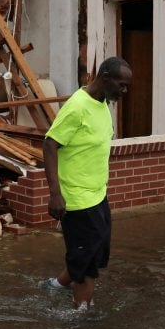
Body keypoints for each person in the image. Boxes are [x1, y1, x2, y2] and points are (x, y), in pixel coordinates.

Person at [40, 56, 132, 310]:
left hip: (97, 196)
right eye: (121, 86)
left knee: (96, 252)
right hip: (77, 201)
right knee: (87, 264)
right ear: (105, 78)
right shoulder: (77, 107)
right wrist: (55, 194)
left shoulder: (102, 103)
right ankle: (81, 314)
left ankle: (56, 285)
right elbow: (49, 144)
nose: (124, 92)